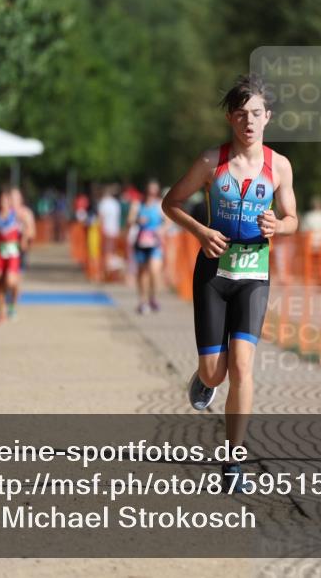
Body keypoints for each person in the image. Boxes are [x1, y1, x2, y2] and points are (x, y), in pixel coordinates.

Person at [162, 74, 298, 491]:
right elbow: (171, 202)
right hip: (214, 274)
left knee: (242, 367)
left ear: (267, 117)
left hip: (254, 275)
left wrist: (279, 224)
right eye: (241, 114)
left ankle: (234, 460)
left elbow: (292, 219)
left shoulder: (279, 166)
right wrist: (201, 232)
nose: (249, 122)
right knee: (216, 372)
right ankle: (204, 378)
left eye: (256, 113)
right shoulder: (210, 162)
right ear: (230, 119)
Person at [129, 180, 166, 313]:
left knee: (154, 271)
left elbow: (169, 221)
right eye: (149, 192)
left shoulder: (160, 205)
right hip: (141, 242)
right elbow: (129, 221)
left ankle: (153, 297)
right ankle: (142, 301)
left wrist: (162, 230)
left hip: (155, 243)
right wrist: (137, 220)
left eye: (154, 192)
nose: (151, 195)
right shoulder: (137, 204)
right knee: (142, 273)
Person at [0, 188, 22, 325]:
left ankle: (14, 296)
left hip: (12, 252)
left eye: (6, 200)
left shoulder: (16, 214)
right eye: (1, 200)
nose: (3, 203)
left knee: (10, 281)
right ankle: (1, 314)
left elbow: (29, 225)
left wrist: (26, 238)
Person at [98, 184, 123, 278]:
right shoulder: (115, 203)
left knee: (107, 251)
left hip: (106, 230)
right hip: (114, 230)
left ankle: (108, 271)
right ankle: (112, 270)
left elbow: (101, 217)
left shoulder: (103, 203)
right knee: (112, 250)